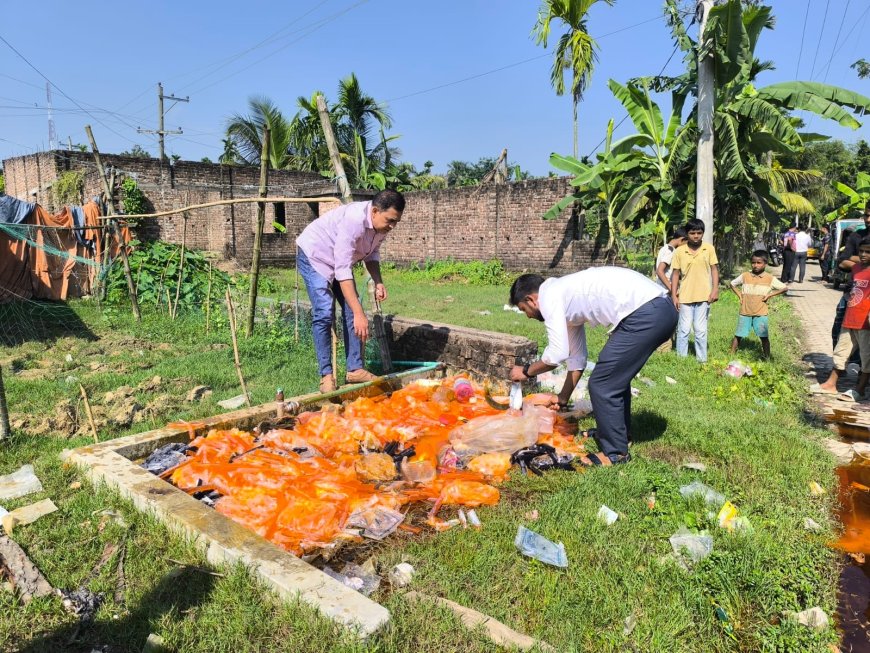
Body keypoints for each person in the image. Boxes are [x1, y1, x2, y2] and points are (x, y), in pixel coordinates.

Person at [507, 267, 677, 466]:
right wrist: (562, 397)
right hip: (657, 310)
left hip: (647, 312)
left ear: (531, 300)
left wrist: (525, 371)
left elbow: (556, 354)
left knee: (603, 383)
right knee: (614, 379)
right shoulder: (564, 299)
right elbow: (577, 358)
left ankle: (615, 453)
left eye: (523, 309)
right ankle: (616, 434)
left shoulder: (550, 297)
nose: (527, 315)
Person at [295, 189, 405, 393]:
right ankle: (326, 375)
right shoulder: (353, 221)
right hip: (315, 256)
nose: (392, 226)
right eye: (390, 220)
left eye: (395, 222)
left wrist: (378, 281)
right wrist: (358, 314)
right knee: (324, 312)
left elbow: (371, 256)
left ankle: (354, 369)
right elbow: (343, 270)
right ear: (374, 211)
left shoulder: (380, 228)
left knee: (351, 309)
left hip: (339, 261)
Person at [816, 236, 870, 400]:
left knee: (867, 357)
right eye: (861, 251)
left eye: (868, 252)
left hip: (866, 322)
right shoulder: (856, 269)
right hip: (851, 317)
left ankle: (859, 390)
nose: (863, 254)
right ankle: (831, 384)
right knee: (841, 352)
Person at [670, 219, 720, 363]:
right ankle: (682, 361)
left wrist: (715, 289)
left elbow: (714, 269)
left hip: (704, 295)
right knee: (684, 330)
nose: (696, 236)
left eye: (699, 233)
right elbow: (675, 274)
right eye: (692, 233)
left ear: (703, 233)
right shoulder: (679, 251)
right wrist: (674, 295)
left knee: (700, 330)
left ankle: (702, 360)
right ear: (687, 234)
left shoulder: (709, 249)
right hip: (685, 296)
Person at [729, 250, 787, 359]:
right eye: (753, 262)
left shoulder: (769, 278)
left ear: (765, 263)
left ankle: (767, 358)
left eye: (759, 263)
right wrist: (740, 295)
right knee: (738, 335)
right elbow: (732, 284)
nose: (755, 265)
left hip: (760, 313)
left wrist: (770, 295)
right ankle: (731, 356)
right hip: (745, 312)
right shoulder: (745, 275)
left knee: (764, 336)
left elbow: (784, 288)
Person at [654, 227, 688, 292]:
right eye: (686, 244)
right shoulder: (670, 251)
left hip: (661, 288)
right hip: (666, 290)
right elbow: (660, 271)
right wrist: (672, 289)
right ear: (682, 240)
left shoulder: (665, 248)